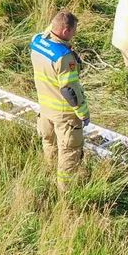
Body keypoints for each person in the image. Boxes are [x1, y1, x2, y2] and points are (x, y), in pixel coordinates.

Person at [30, 10, 90, 192]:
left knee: (49, 144)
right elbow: (69, 90)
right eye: (73, 31)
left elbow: (50, 29)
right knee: (69, 151)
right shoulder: (64, 57)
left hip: (45, 109)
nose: (74, 34)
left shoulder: (37, 41)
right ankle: (66, 190)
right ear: (65, 31)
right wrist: (83, 113)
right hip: (64, 114)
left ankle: (48, 176)